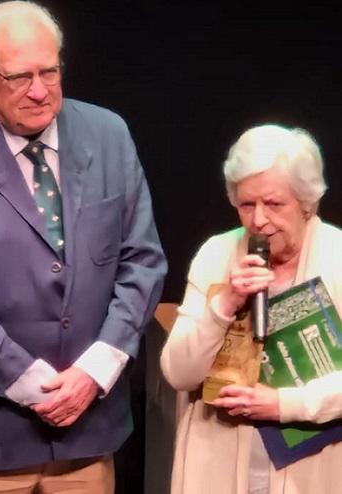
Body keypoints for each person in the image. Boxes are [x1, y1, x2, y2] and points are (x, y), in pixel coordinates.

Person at [0, 1, 166, 492]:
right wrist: (33, 384)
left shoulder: (109, 135)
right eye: (20, 77)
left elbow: (143, 261)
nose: (41, 90)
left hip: (86, 437)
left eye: (50, 71)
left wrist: (95, 370)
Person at [161, 124, 342, 494]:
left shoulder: (338, 256)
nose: (258, 220)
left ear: (306, 203)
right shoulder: (217, 253)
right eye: (246, 204)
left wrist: (285, 404)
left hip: (315, 464)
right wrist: (224, 304)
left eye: (274, 204)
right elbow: (178, 374)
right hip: (219, 460)